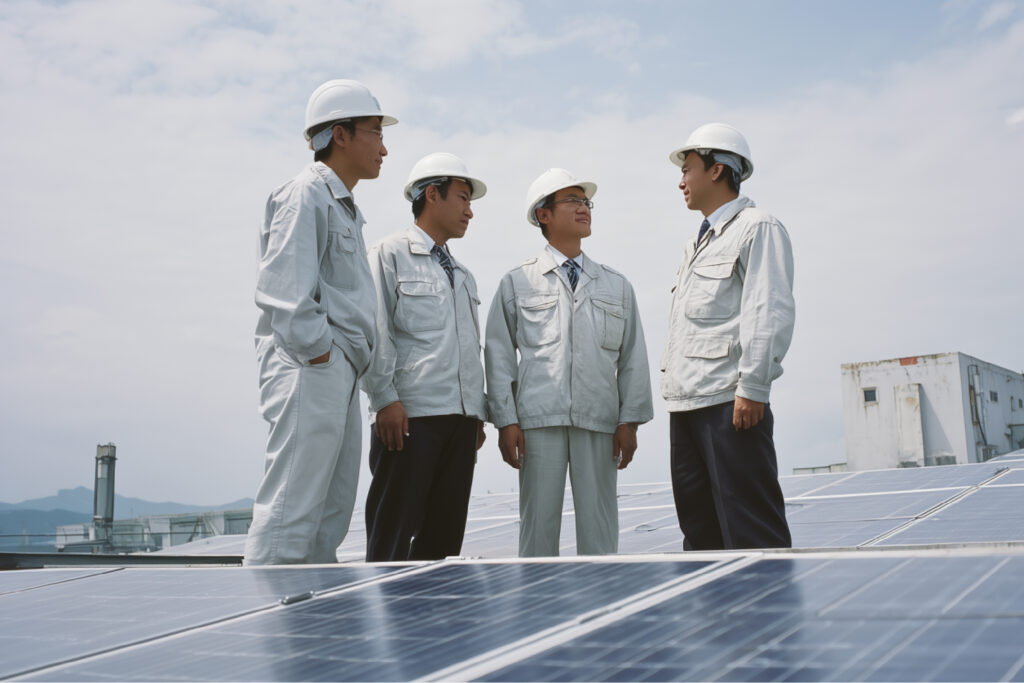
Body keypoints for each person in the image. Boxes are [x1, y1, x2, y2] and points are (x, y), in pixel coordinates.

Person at [245, 79, 396, 565]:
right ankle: (267, 623)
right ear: (341, 134)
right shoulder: (303, 194)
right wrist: (321, 353)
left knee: (327, 515)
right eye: (374, 131)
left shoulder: (346, 208)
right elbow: (283, 292)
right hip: (311, 367)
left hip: (337, 370)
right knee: (292, 509)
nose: (384, 147)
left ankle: (306, 630)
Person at [485, 168, 653, 557]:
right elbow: (498, 356)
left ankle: (602, 607)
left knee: (600, 532)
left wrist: (629, 421)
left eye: (586, 202)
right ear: (543, 215)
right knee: (538, 533)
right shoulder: (517, 282)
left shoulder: (616, 285)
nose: (584, 208)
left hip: (599, 421)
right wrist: (506, 421)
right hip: (537, 422)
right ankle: (538, 609)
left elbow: (633, 358)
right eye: (573, 201)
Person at [662, 122, 795, 550]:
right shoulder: (695, 244)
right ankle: (716, 619)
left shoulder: (757, 227)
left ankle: (768, 616)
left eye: (688, 168)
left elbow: (767, 308)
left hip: (730, 404)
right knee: (699, 534)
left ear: (717, 170)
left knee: (750, 527)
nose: (681, 180)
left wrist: (753, 387)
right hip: (686, 404)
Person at [361, 153, 488, 561]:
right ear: (432, 195)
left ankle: (434, 625)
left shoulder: (464, 275)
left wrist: (476, 414)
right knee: (392, 540)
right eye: (464, 199)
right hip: (409, 419)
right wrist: (384, 399)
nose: (470, 211)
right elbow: (375, 331)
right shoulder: (388, 254)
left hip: (461, 423)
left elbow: (469, 348)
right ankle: (388, 624)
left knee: (443, 544)